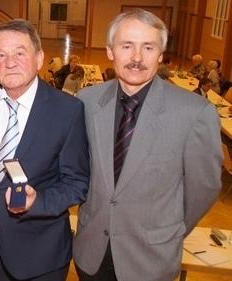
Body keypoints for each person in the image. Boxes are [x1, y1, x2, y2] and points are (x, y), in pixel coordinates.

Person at [73, 8, 222, 281]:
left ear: (161, 54)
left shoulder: (194, 113)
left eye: (148, 47)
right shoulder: (86, 101)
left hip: (150, 260)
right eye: (127, 46)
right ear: (110, 51)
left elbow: (204, 188)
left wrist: (168, 231)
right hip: (90, 253)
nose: (137, 58)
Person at [0, 19, 90, 281]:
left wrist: (36, 202)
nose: (9, 62)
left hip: (40, 252)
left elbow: (77, 182)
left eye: (19, 53)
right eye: (0, 55)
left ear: (39, 59)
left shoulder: (67, 111)